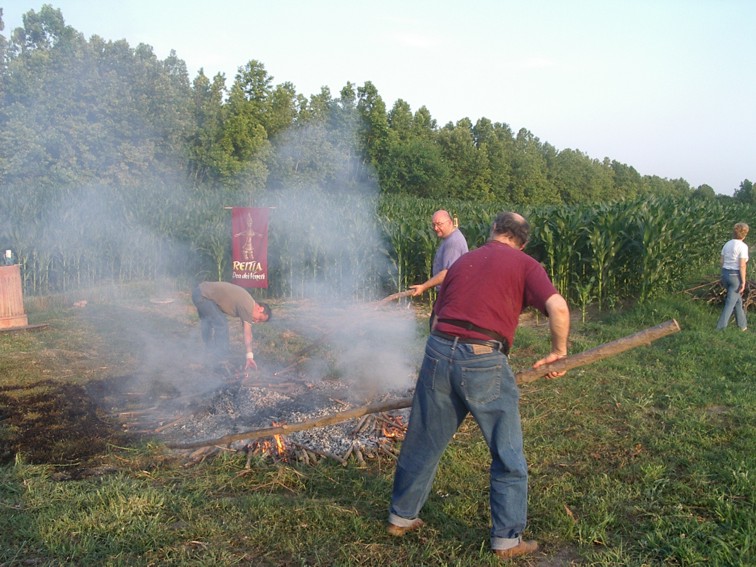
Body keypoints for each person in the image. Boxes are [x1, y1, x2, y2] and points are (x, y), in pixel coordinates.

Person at [387, 211, 570, 560]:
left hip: (439, 349)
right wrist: (558, 351)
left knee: (423, 439)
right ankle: (506, 540)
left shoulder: (464, 260)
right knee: (507, 451)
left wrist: (444, 358)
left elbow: (437, 317)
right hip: (483, 357)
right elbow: (558, 309)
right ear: (523, 240)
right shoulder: (527, 264)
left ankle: (401, 517)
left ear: (493, 231)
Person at [191, 281, 272, 370]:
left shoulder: (247, 303)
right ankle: (221, 360)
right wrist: (249, 356)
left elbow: (247, 330)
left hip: (200, 293)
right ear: (260, 309)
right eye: (259, 318)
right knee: (222, 324)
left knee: (208, 322)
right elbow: (247, 333)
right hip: (203, 296)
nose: (256, 321)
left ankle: (208, 353)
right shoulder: (248, 305)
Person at [409, 210, 468, 298]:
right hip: (448, 293)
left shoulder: (453, 242)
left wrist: (423, 286)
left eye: (439, 224)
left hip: (452, 295)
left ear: (450, 222)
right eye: (434, 225)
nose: (436, 228)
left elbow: (447, 273)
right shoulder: (449, 238)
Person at [716, 222, 749, 331]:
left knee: (737, 301)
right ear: (745, 234)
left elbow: (721, 261)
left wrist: (724, 272)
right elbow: (742, 265)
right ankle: (720, 328)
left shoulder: (727, 244)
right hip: (735, 276)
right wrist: (743, 282)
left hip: (725, 274)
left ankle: (742, 326)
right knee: (730, 302)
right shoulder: (743, 247)